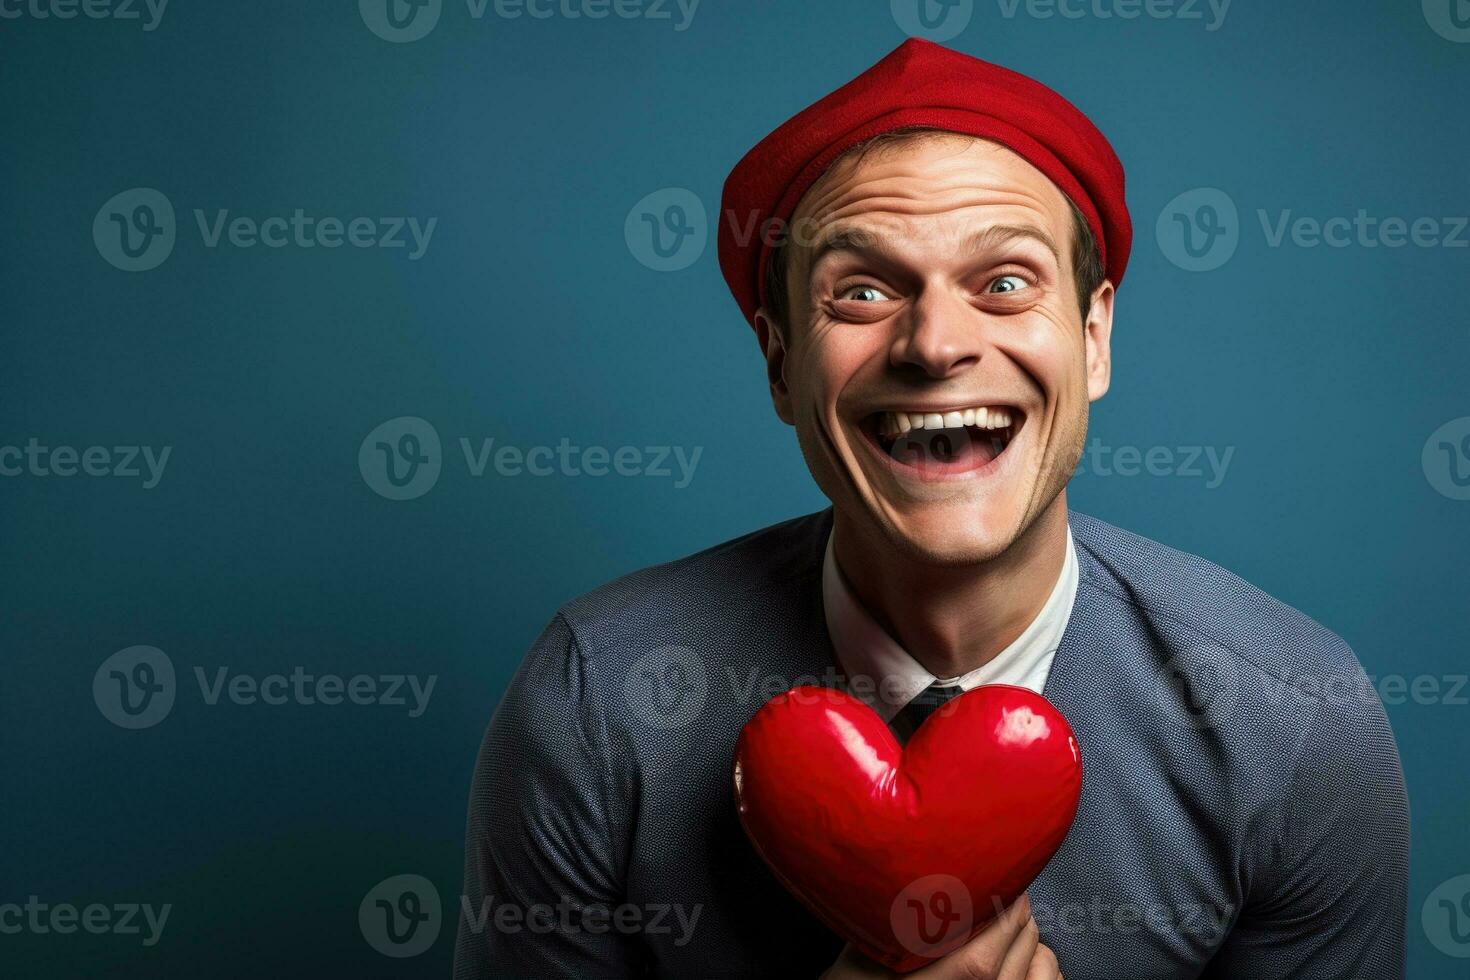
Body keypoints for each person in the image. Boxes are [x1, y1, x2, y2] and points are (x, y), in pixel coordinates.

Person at [453, 38, 1408, 979]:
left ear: (1093, 337)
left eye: (1003, 284)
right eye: (862, 290)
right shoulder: (594, 705)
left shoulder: (1294, 721)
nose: (937, 343)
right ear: (781, 363)